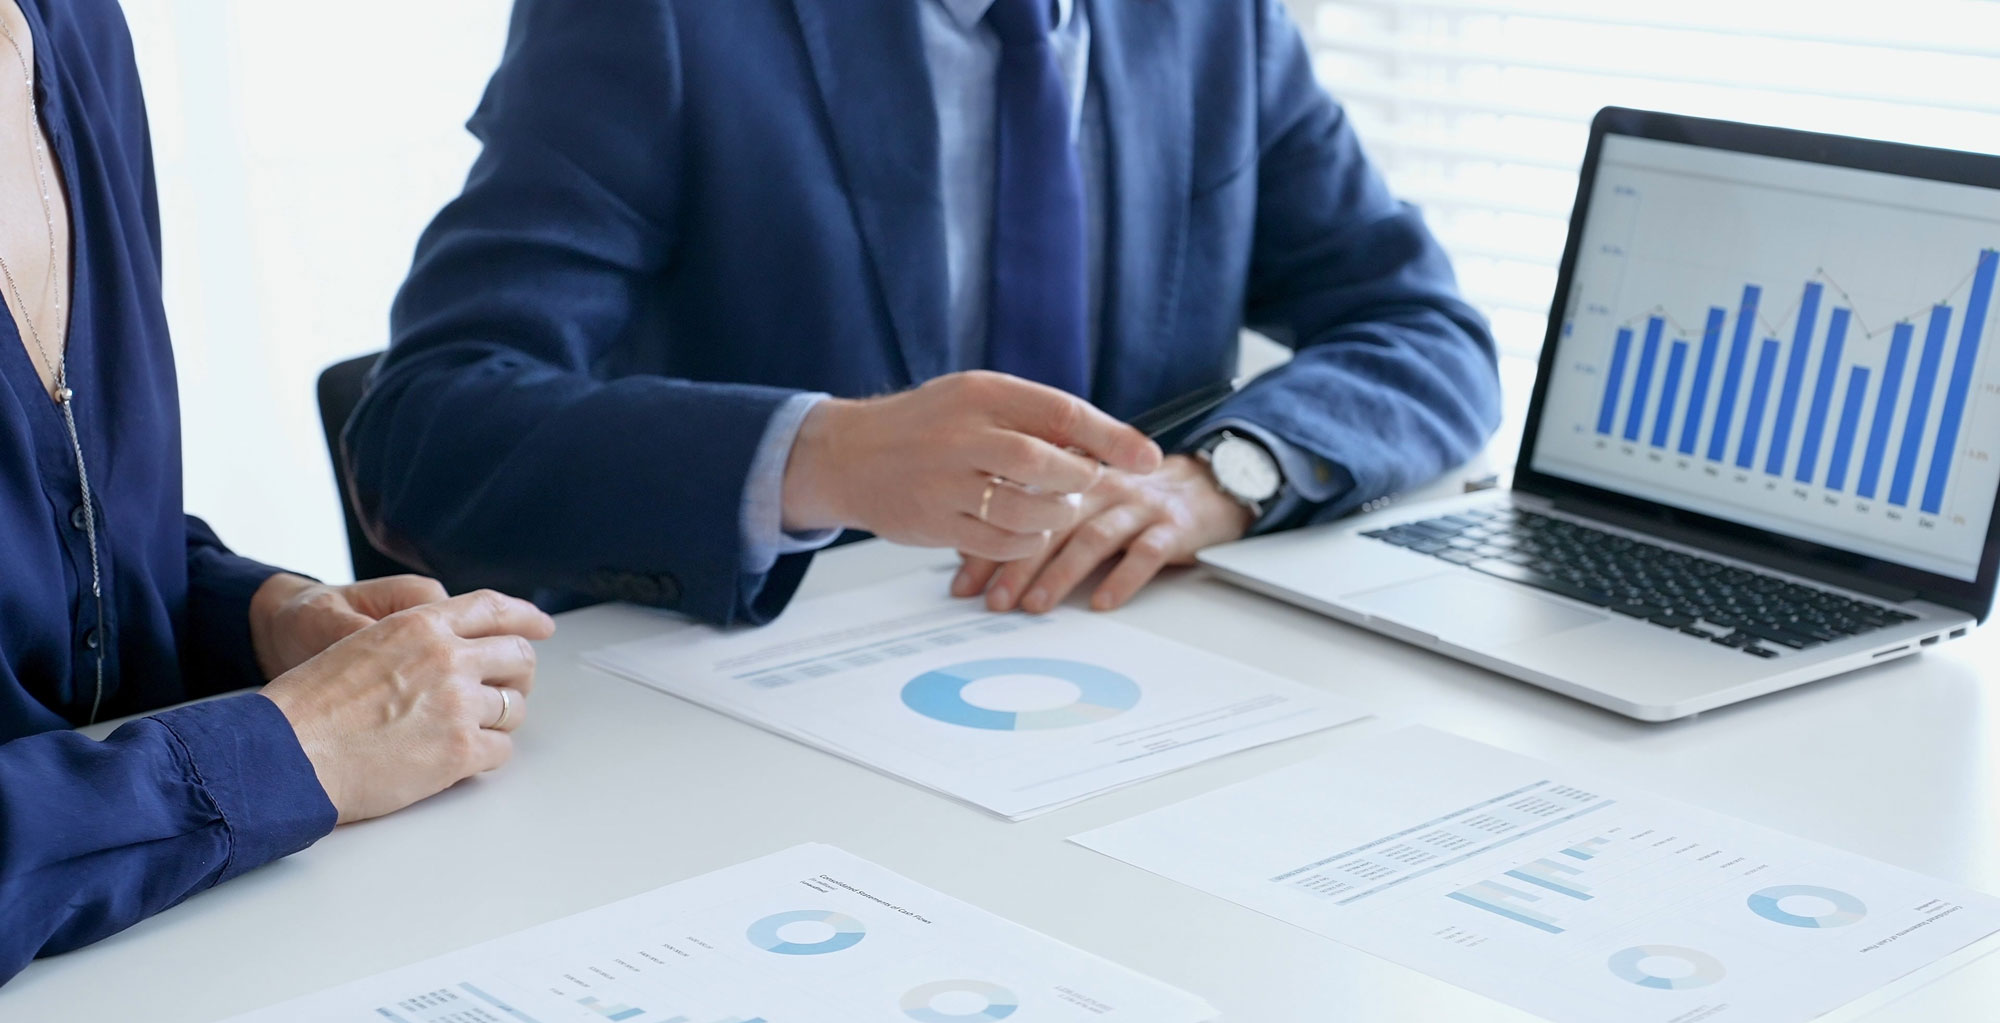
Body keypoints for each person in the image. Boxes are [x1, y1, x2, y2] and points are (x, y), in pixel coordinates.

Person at [347, 0, 1501, 628]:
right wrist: (822, 455)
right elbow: (426, 431)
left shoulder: (1221, 25)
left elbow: (1424, 327)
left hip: (1119, 672)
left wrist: (1219, 480)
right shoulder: (659, 21)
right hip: (758, 729)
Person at [0, 0, 557, 986]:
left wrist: (262, 618)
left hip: (156, 958)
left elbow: (60, 525)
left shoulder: (73, 27)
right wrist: (291, 748)